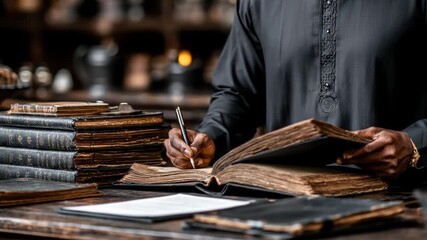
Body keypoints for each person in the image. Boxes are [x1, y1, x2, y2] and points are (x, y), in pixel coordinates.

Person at [164, 1, 427, 182]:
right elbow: (238, 94)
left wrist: (414, 145)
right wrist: (207, 141)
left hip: (400, 201)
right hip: (285, 196)